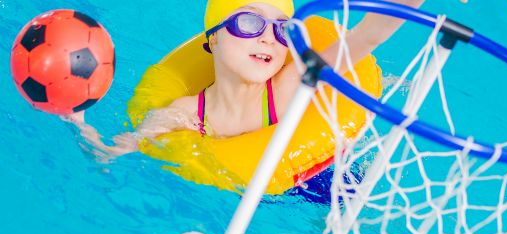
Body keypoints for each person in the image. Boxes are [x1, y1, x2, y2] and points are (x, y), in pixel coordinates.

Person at [67, 0, 425, 159]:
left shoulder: (288, 86)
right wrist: (79, 120)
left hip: (317, 180)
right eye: (250, 23)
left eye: (281, 29)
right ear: (214, 37)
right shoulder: (185, 113)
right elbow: (117, 151)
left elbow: (366, 38)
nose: (268, 37)